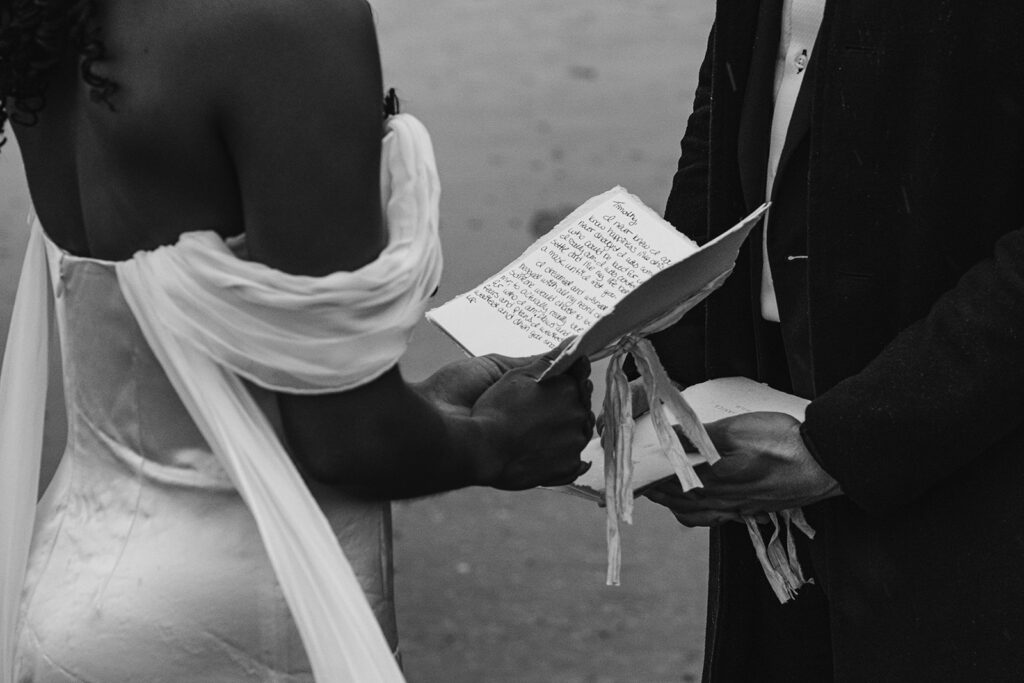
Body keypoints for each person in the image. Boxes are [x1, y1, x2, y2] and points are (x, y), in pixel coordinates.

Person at [0, 1, 594, 680]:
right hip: (251, 618)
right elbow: (349, 439)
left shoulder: (64, 10)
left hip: (71, 579)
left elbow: (194, 386)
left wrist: (423, 410)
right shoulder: (288, 18)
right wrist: (498, 441)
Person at [642, 1, 1024, 681]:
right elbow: (730, 107)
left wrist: (853, 440)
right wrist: (673, 367)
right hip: (764, 421)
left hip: (966, 452)